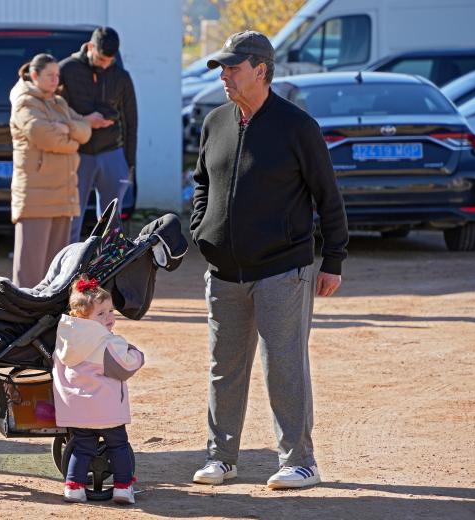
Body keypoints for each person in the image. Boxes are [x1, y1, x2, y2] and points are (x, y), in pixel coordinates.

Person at [189, 31, 349, 490]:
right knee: (224, 367)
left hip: (284, 269)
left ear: (261, 70)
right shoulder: (215, 121)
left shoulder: (298, 127)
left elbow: (328, 197)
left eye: (233, 68)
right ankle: (222, 458)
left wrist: (333, 258)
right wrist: (204, 228)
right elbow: (202, 182)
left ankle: (300, 461)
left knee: (284, 364)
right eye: (221, 68)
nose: (224, 76)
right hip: (224, 272)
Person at [52, 275, 144, 504]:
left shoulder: (65, 340)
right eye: (101, 314)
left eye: (111, 311)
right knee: (118, 445)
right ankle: (123, 488)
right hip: (106, 408)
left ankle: (73, 487)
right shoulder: (106, 342)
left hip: (77, 409)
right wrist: (135, 352)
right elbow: (127, 365)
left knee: (82, 448)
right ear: (82, 316)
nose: (110, 317)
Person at [9, 54, 97, 287]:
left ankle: (48, 318)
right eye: (50, 75)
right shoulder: (25, 102)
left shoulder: (59, 102)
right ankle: (22, 316)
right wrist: (72, 142)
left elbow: (85, 130)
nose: (55, 80)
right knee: (30, 270)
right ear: (35, 75)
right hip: (36, 196)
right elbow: (44, 136)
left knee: (56, 268)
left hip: (63, 195)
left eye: (57, 75)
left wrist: (66, 127)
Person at [58, 26, 138, 243]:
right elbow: (55, 110)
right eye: (101, 59)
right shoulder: (66, 69)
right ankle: (68, 268)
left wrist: (128, 162)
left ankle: (109, 268)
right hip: (77, 153)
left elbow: (131, 121)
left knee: (111, 221)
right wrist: (84, 121)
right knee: (72, 217)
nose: (105, 64)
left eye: (109, 61)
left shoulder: (121, 77)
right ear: (90, 47)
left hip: (113, 153)